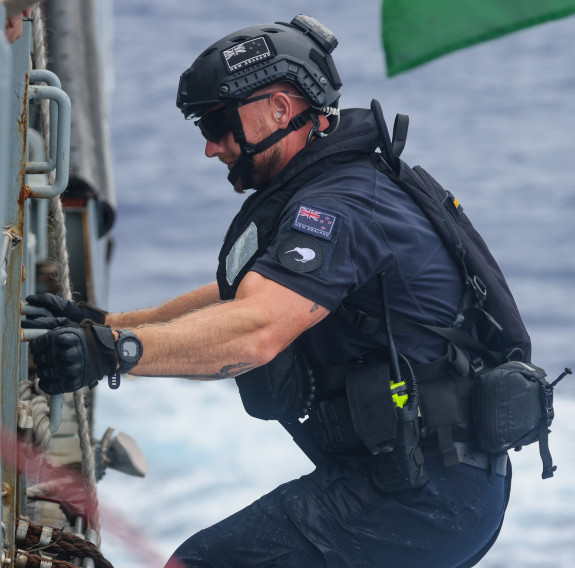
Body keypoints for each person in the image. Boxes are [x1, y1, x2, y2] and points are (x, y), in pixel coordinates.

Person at [26, 14, 519, 568]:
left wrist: (113, 354)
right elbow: (244, 296)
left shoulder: (339, 206)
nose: (212, 149)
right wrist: (109, 323)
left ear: (280, 110)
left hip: (420, 497)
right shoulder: (336, 187)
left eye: (217, 125)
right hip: (429, 484)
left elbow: (255, 330)